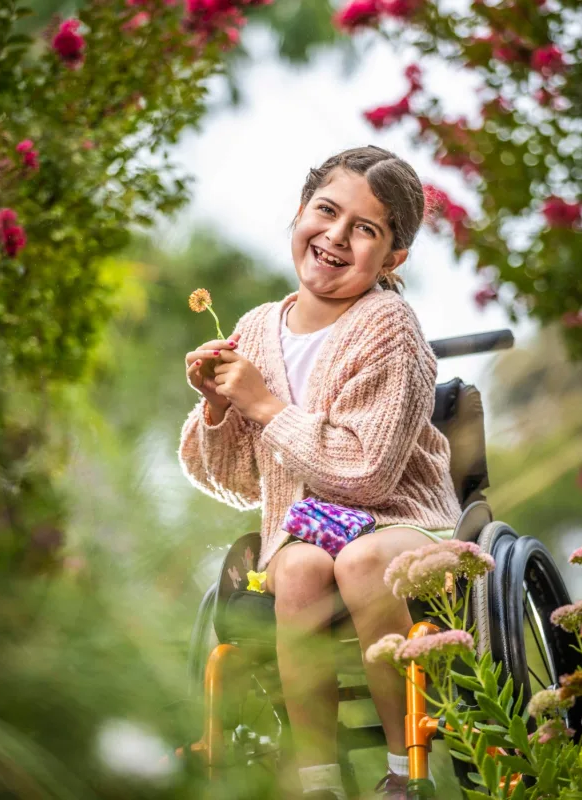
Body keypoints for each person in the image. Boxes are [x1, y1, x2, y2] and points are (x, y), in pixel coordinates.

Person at [179, 145, 461, 799]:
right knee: (303, 566)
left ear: (393, 258)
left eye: (365, 229)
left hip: (395, 520)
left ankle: (402, 774)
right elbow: (236, 483)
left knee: (363, 561)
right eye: (326, 211)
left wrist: (264, 404)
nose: (336, 236)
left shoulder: (390, 329)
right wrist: (220, 407)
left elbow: (367, 477)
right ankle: (317, 779)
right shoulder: (253, 331)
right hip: (303, 531)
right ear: (300, 212)